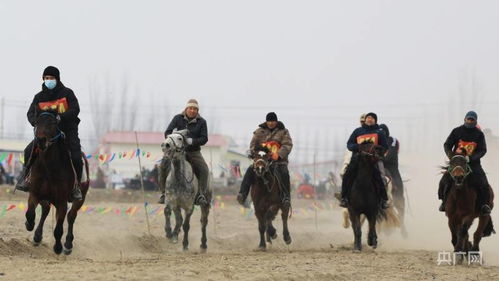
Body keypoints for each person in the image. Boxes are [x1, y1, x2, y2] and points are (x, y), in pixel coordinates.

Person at [15, 66, 82, 201]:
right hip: (45, 132)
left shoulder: (67, 93)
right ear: (43, 79)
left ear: (57, 79)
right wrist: (35, 122)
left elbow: (75, 109)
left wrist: (61, 117)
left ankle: (76, 187)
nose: (49, 80)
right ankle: (25, 179)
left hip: (67, 130)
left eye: (51, 78)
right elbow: (30, 113)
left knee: (76, 156)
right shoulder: (38, 97)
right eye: (46, 78)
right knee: (28, 150)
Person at [438, 111, 491, 215]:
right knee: (444, 180)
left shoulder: (479, 134)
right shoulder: (456, 131)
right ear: (465, 119)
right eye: (469, 119)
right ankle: (444, 202)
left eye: (472, 120)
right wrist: (451, 155)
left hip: (473, 163)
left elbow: (483, 150)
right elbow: (447, 144)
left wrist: (471, 158)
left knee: (483, 181)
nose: (470, 121)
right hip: (456, 162)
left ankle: (484, 205)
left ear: (476, 121)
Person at [157, 99, 209, 206]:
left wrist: (193, 141)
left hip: (193, 151)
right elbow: (167, 132)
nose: (192, 110)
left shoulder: (202, 122)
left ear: (197, 111)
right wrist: (174, 138)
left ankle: (200, 195)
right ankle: (163, 193)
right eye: (190, 108)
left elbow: (204, 138)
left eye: (195, 109)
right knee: (162, 166)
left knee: (204, 169)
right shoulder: (177, 118)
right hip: (176, 151)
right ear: (186, 109)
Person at [236, 112, 293, 207]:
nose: (271, 123)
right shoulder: (259, 132)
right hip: (262, 161)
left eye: (273, 121)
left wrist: (278, 155)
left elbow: (287, 145)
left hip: (278, 161)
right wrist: (253, 154)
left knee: (284, 173)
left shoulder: (283, 132)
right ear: (266, 121)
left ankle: (286, 197)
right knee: (250, 170)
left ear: (276, 121)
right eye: (269, 121)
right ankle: (242, 194)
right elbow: (252, 146)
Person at [339, 112, 389, 209]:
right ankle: (344, 198)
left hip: (373, 160)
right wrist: (358, 147)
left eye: (372, 118)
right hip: (358, 159)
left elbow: (385, 147)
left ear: (375, 120)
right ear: (365, 120)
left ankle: (383, 200)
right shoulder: (357, 131)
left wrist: (377, 151)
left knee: (381, 178)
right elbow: (349, 144)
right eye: (368, 118)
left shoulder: (379, 132)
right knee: (347, 175)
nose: (369, 119)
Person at [379, 123, 404, 194]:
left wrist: (380, 159)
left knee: (398, 184)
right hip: (378, 165)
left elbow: (391, 154)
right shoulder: (376, 141)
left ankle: (399, 202)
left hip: (391, 167)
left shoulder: (393, 141)